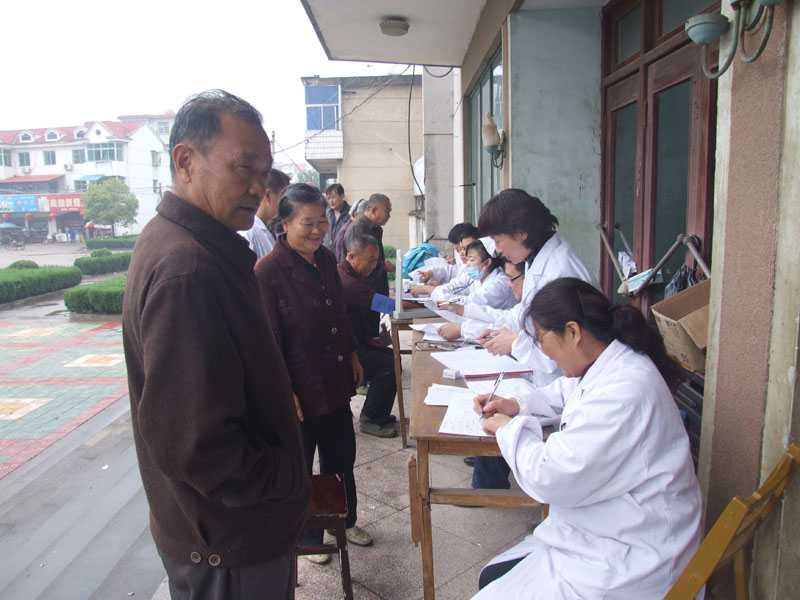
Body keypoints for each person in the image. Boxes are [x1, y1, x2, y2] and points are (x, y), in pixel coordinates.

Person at [122, 90, 311, 600]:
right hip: (230, 542)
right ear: (186, 161)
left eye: (264, 172)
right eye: (244, 167)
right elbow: (194, 443)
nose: (258, 186)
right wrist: (283, 479)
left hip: (227, 533)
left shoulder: (197, 244)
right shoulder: (188, 267)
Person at [472, 278, 701, 598]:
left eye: (540, 338)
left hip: (634, 555)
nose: (541, 351)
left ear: (573, 332)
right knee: (495, 577)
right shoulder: (613, 363)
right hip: (612, 527)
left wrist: (509, 429)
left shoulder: (624, 390)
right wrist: (516, 403)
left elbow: (550, 476)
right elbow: (569, 392)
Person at [254, 183, 373, 562]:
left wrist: (352, 353)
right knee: (302, 468)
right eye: (308, 222)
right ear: (285, 224)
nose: (318, 230)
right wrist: (283, 391)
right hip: (300, 388)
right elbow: (267, 340)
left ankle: (345, 520)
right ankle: (309, 537)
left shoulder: (324, 258)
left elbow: (339, 310)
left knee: (341, 458)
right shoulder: (268, 272)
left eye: (322, 221)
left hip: (334, 378)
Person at [338, 233, 420, 437]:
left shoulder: (350, 275)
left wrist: (368, 338)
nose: (374, 266)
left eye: (376, 261)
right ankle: (371, 418)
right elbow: (385, 304)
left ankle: (378, 412)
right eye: (370, 260)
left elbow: (355, 315)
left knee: (393, 357)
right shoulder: (347, 282)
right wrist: (424, 305)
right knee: (388, 366)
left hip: (355, 340)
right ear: (352, 257)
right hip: (343, 348)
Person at [343, 193, 395, 336]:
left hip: (373, 292)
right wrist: (382, 266)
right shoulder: (358, 229)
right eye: (387, 211)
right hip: (362, 294)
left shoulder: (375, 229)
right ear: (373, 210)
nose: (389, 216)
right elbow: (360, 263)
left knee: (373, 335)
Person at [432, 239, 516, 316]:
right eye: (467, 259)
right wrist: (440, 292)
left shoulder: (498, 284)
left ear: (487, 262)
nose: (467, 264)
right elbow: (454, 286)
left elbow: (471, 303)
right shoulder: (478, 276)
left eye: (472, 260)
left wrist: (440, 295)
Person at [410, 223, 480, 297]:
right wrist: (431, 273)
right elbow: (453, 278)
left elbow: (466, 299)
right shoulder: (468, 268)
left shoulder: (485, 279)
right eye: (461, 249)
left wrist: (436, 289)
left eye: (465, 249)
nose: (462, 253)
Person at [239, 168, 290, 259]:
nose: (289, 204)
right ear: (268, 195)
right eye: (285, 199)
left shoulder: (278, 230)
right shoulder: (248, 234)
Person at [333, 198, 366, 262]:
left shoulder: (355, 227)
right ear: (356, 215)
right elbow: (339, 257)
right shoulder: (349, 230)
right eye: (365, 218)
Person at [323, 183, 350, 251]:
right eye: (328, 198)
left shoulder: (350, 213)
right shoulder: (327, 213)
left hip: (343, 253)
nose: (330, 201)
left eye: (333, 197)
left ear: (342, 196)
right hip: (327, 252)